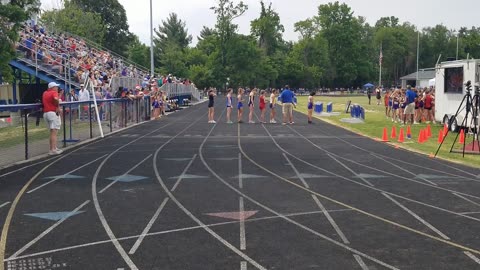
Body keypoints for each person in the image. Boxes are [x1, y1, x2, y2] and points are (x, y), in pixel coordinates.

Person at [42, 82, 63, 155]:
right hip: (53, 113)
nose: (57, 88)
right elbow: (55, 99)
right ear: (52, 87)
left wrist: (59, 95)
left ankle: (53, 148)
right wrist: (58, 107)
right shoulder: (54, 92)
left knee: (51, 132)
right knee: (54, 132)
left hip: (46, 113)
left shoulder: (45, 93)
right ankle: (53, 149)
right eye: (56, 87)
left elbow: (52, 100)